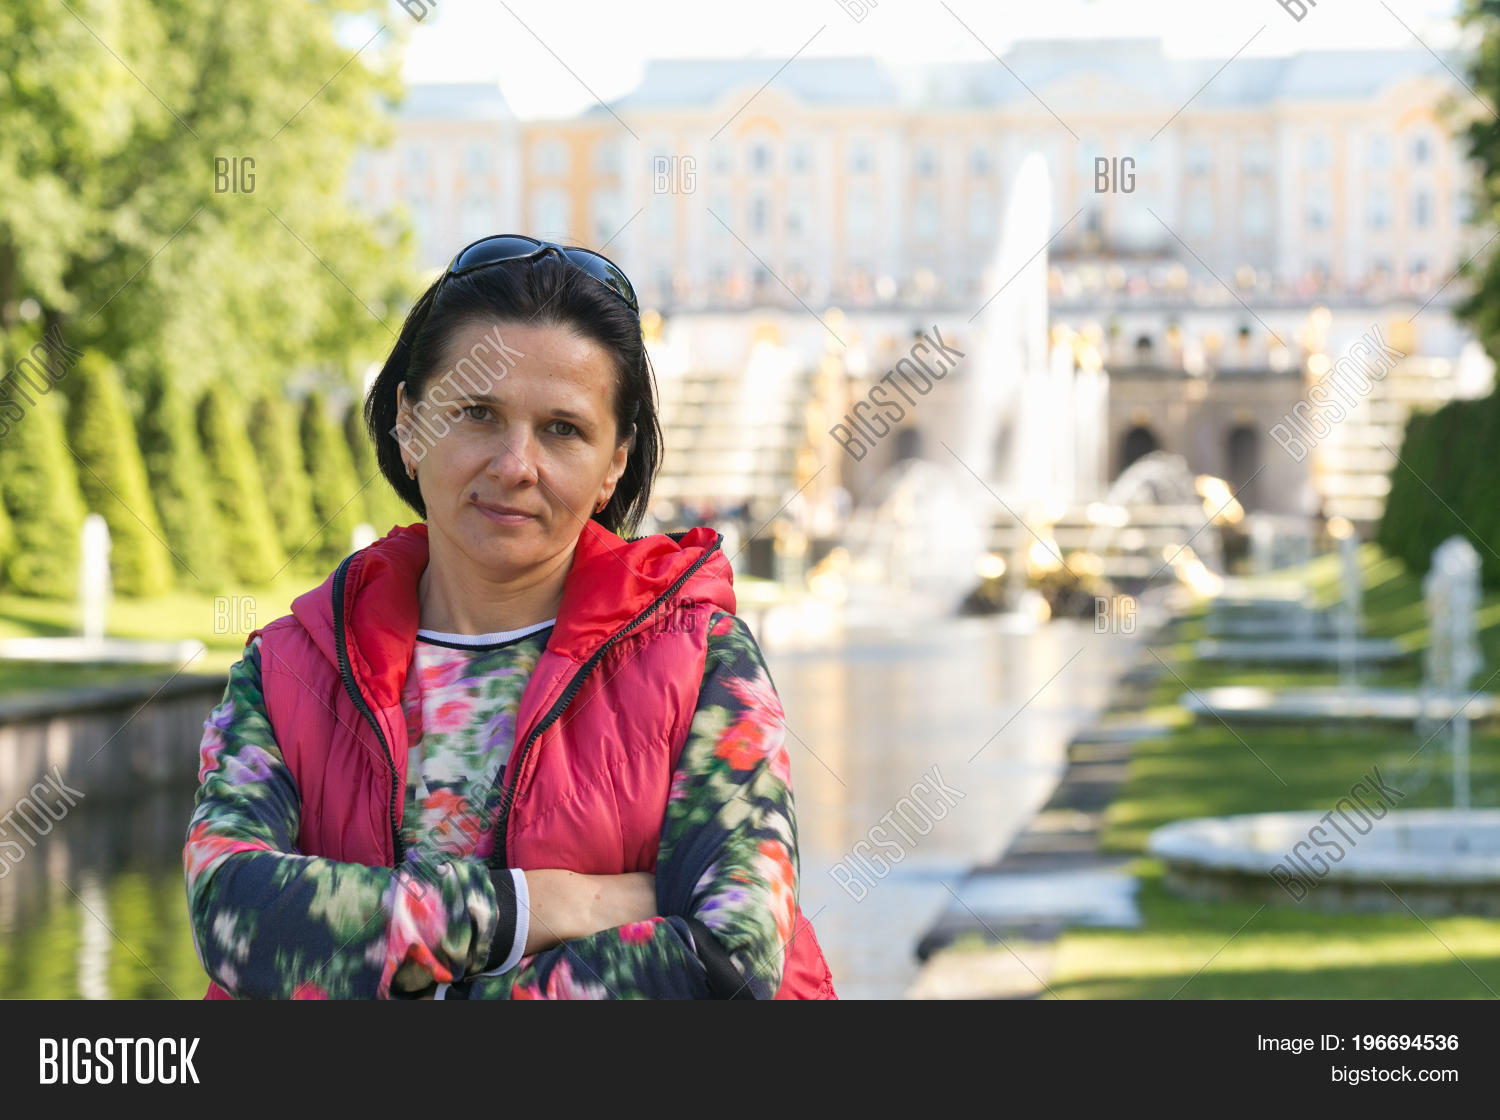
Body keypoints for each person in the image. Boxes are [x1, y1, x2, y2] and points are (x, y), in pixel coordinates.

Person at [182, 234, 836, 999]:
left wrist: (385, 956)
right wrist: (548, 906)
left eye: (562, 429)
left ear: (614, 463)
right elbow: (233, 916)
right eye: (477, 414)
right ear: (410, 421)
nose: (515, 465)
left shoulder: (701, 659)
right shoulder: (288, 669)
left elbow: (730, 958)